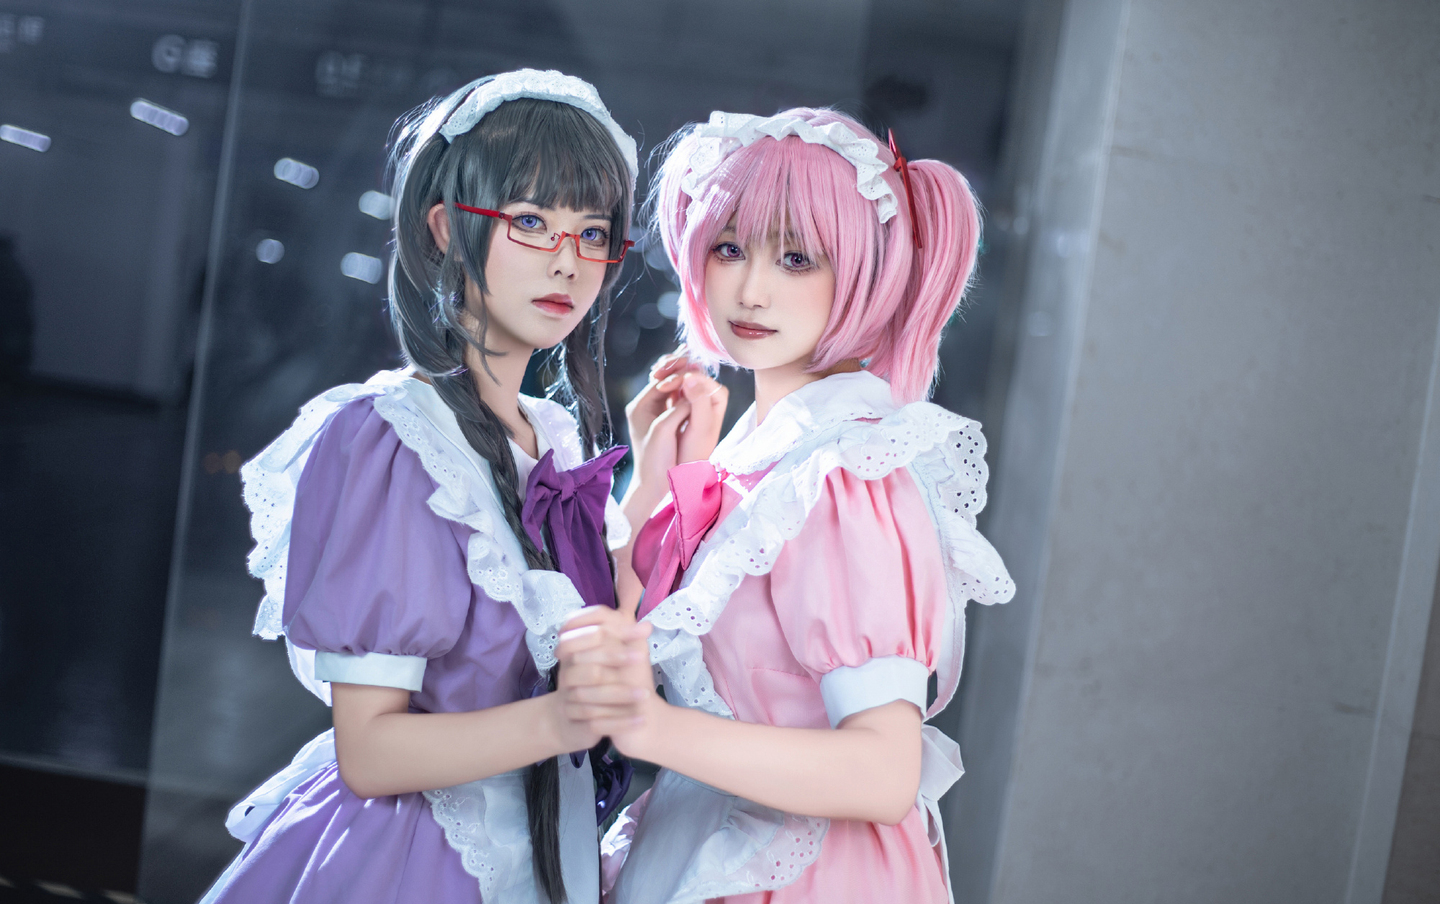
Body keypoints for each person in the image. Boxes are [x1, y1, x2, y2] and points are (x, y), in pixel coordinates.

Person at [201, 69, 658, 904]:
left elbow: (588, 634)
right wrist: (560, 720)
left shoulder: (549, 436)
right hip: (415, 862)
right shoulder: (393, 440)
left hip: (539, 856)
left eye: (593, 233)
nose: (568, 262)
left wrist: (656, 474)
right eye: (531, 222)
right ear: (447, 228)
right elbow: (370, 753)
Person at [560, 108, 1017, 903]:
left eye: (797, 257)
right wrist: (658, 485)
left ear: (865, 275)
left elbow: (882, 771)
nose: (751, 287)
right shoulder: (765, 452)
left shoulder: (846, 472)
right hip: (709, 840)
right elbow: (643, 648)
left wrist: (651, 728)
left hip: (807, 871)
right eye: (729, 247)